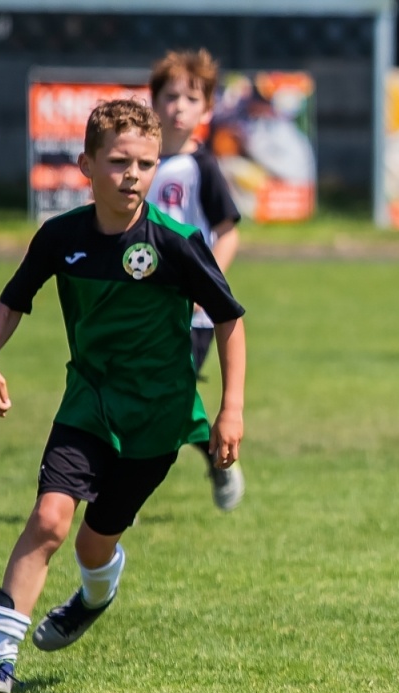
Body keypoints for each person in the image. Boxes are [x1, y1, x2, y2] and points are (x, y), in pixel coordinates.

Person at [0, 99, 247, 693]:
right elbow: (13, 300)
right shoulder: (61, 237)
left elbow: (229, 319)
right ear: (86, 165)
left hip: (157, 418)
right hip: (88, 403)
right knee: (49, 520)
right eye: (118, 161)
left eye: (145, 164)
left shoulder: (175, 243)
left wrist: (230, 409)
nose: (132, 175)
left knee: (95, 541)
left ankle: (95, 594)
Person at [148, 48, 246, 510]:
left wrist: (208, 287)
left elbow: (227, 232)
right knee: (151, 395)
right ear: (154, 102)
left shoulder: (201, 167)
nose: (179, 107)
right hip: (144, 305)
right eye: (170, 96)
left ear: (207, 110)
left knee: (164, 396)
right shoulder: (138, 163)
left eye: (191, 98)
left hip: (193, 314)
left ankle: (214, 455)